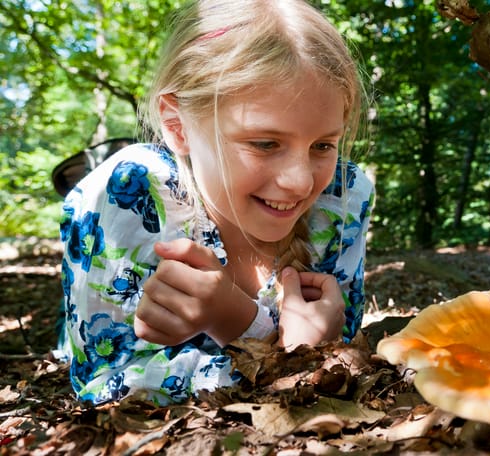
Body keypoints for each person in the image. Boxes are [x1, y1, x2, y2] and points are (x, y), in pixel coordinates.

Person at [58, 0, 374, 405]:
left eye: (323, 145)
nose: (300, 181)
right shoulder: (129, 189)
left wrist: (251, 331)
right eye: (265, 143)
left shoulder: (344, 194)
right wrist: (253, 329)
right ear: (177, 125)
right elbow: (104, 384)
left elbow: (342, 346)